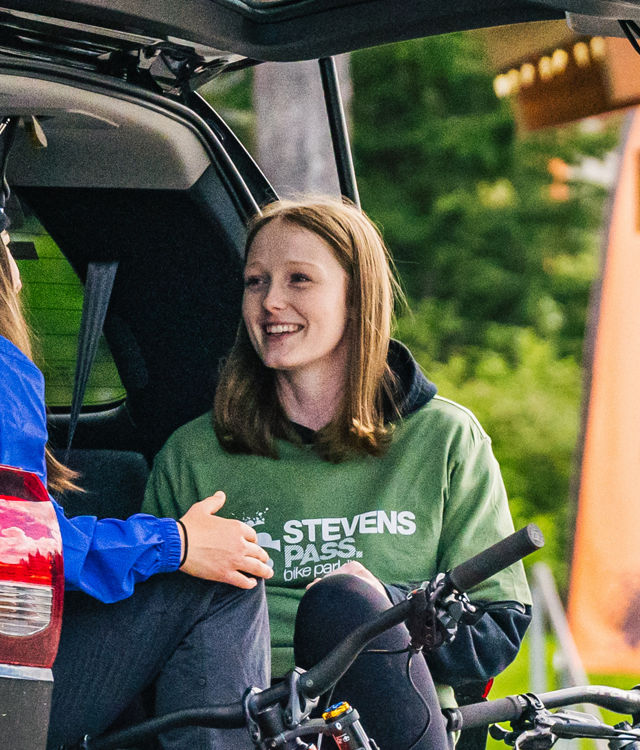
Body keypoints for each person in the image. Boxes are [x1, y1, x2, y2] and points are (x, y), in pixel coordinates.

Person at [0, 169, 275, 750]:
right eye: (8, 252)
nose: (20, 277)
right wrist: (175, 542)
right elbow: (21, 547)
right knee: (223, 581)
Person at [139, 198, 533, 750]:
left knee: (346, 605)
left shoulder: (444, 439)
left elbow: (497, 628)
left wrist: (386, 606)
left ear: (356, 297)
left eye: (300, 279)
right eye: (255, 282)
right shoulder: (193, 454)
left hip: (385, 713)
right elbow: (146, 636)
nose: (272, 301)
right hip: (242, 712)